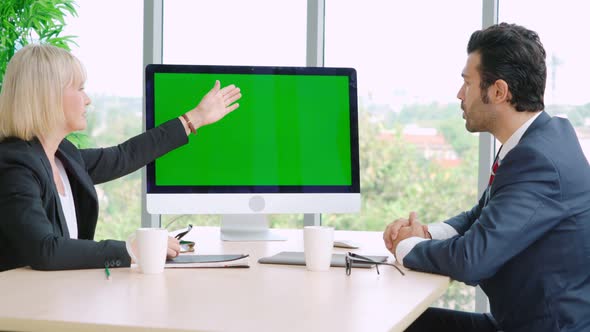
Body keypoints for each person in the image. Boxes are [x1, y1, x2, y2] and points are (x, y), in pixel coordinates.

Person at [382, 23, 590, 332]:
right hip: (518, 324)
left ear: (498, 91)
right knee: (401, 323)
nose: (459, 94)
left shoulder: (538, 160)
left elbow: (472, 259)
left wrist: (406, 246)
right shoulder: (535, 140)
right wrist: (426, 234)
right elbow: (481, 215)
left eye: (467, 83)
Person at [0, 44, 241, 272]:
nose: (88, 99)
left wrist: (195, 118)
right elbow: (44, 250)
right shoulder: (15, 166)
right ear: (48, 96)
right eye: (80, 88)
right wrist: (130, 249)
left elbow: (124, 156)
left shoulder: (64, 157)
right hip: (23, 308)